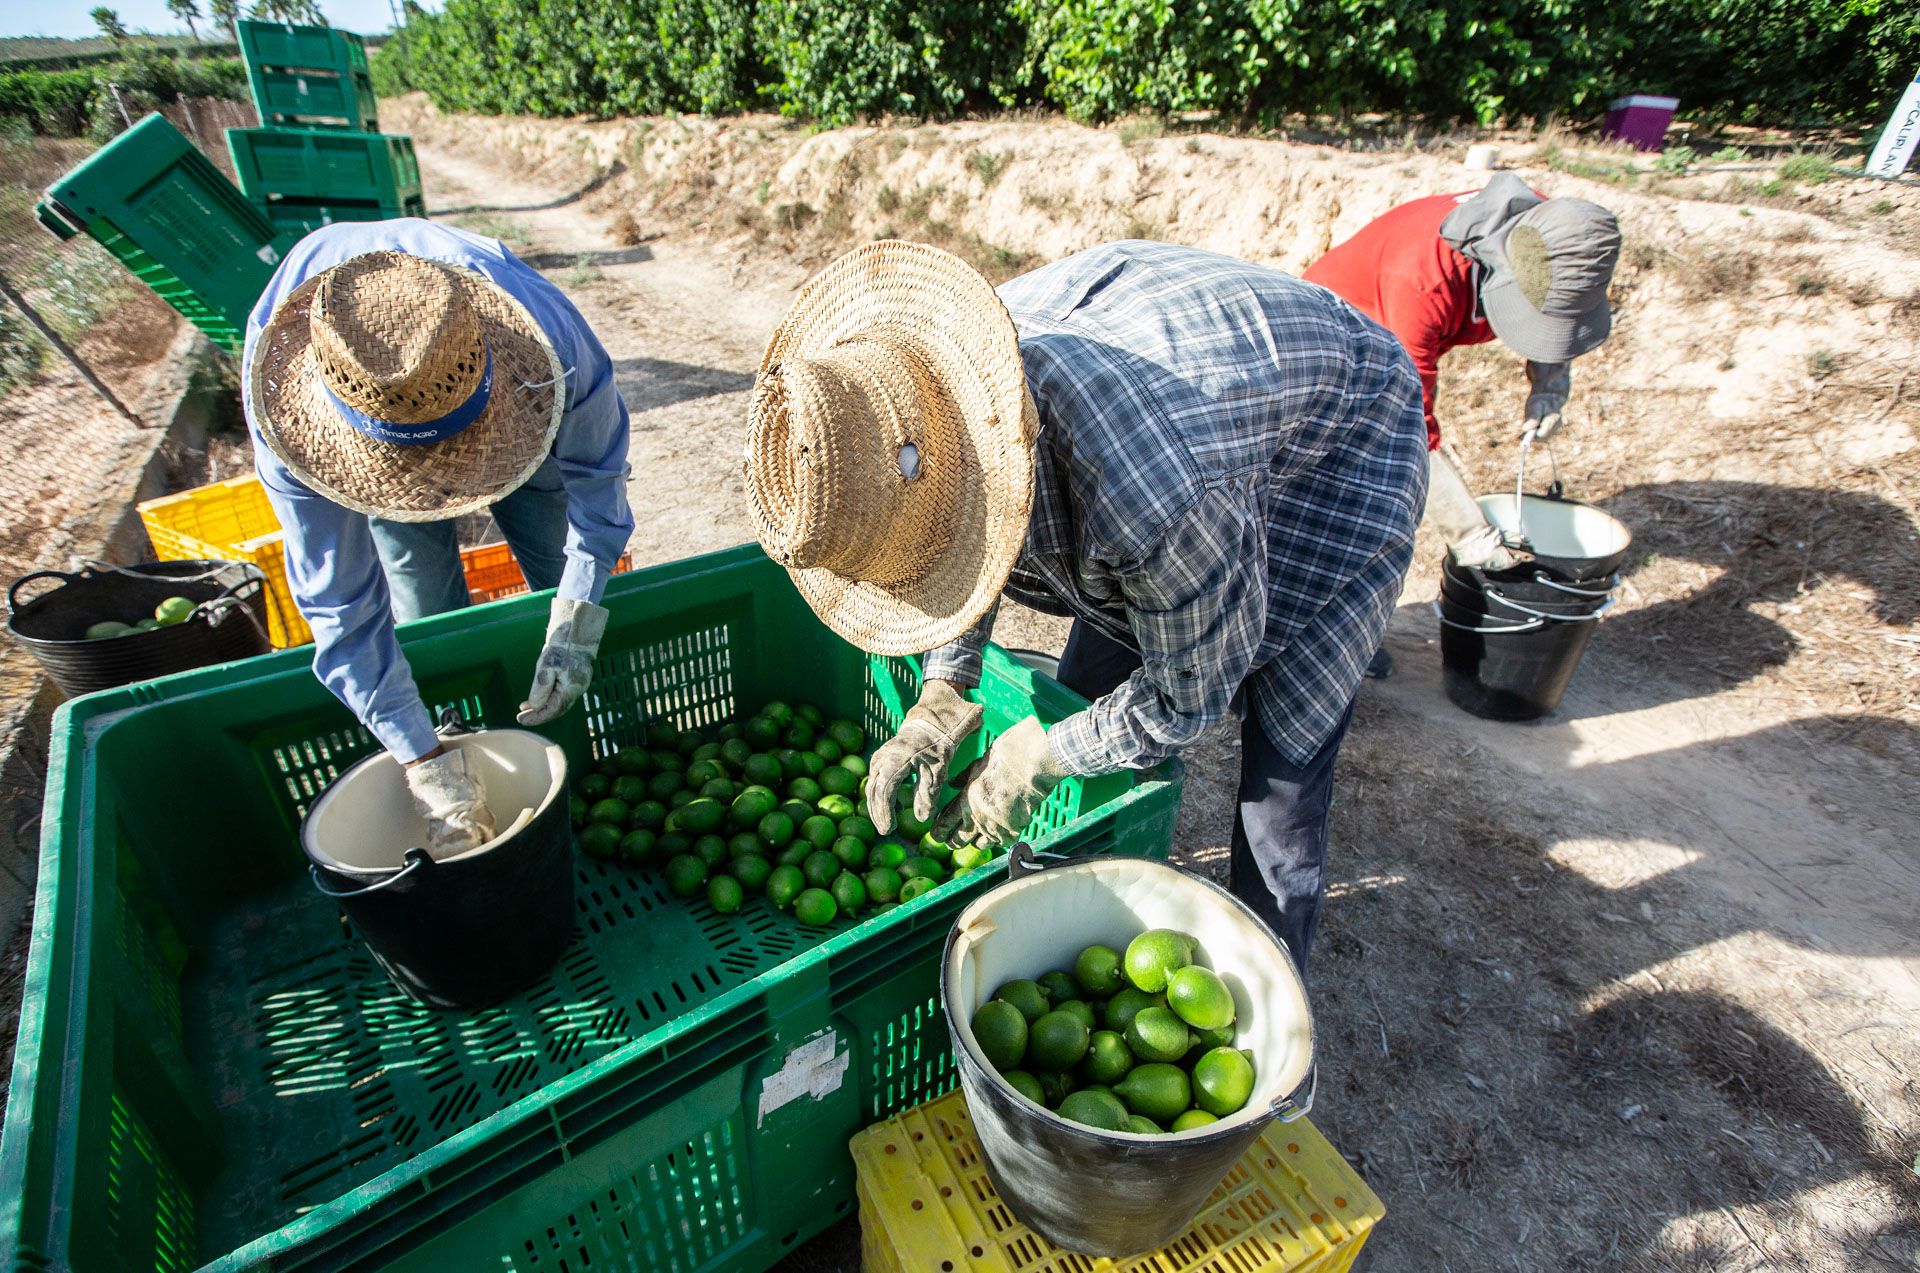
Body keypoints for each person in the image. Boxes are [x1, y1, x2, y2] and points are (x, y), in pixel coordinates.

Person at [742, 239, 1428, 973]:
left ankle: (1267, 997)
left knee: (1280, 790)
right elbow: (945, 533)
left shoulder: (1155, 498)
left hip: (1342, 450)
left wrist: (1042, 753)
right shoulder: (941, 393)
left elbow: (1185, 698)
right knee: (1090, 697)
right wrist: (943, 688)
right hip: (1189, 432)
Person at [244, 219, 634, 857]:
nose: (447, 492)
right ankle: (449, 733)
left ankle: (605, 735)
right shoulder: (289, 425)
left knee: (550, 551)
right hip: (367, 433)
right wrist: (419, 760)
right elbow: (342, 610)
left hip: (516, 406)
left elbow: (599, 494)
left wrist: (577, 620)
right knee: (422, 596)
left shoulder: (552, 347)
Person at [1304, 173, 1621, 602]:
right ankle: (1326, 611)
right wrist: (1469, 532)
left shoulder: (1553, 231)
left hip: (1407, 308)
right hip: (1335, 336)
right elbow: (1409, 425)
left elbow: (1559, 301)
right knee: (1353, 487)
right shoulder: (1422, 281)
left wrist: (1549, 386)